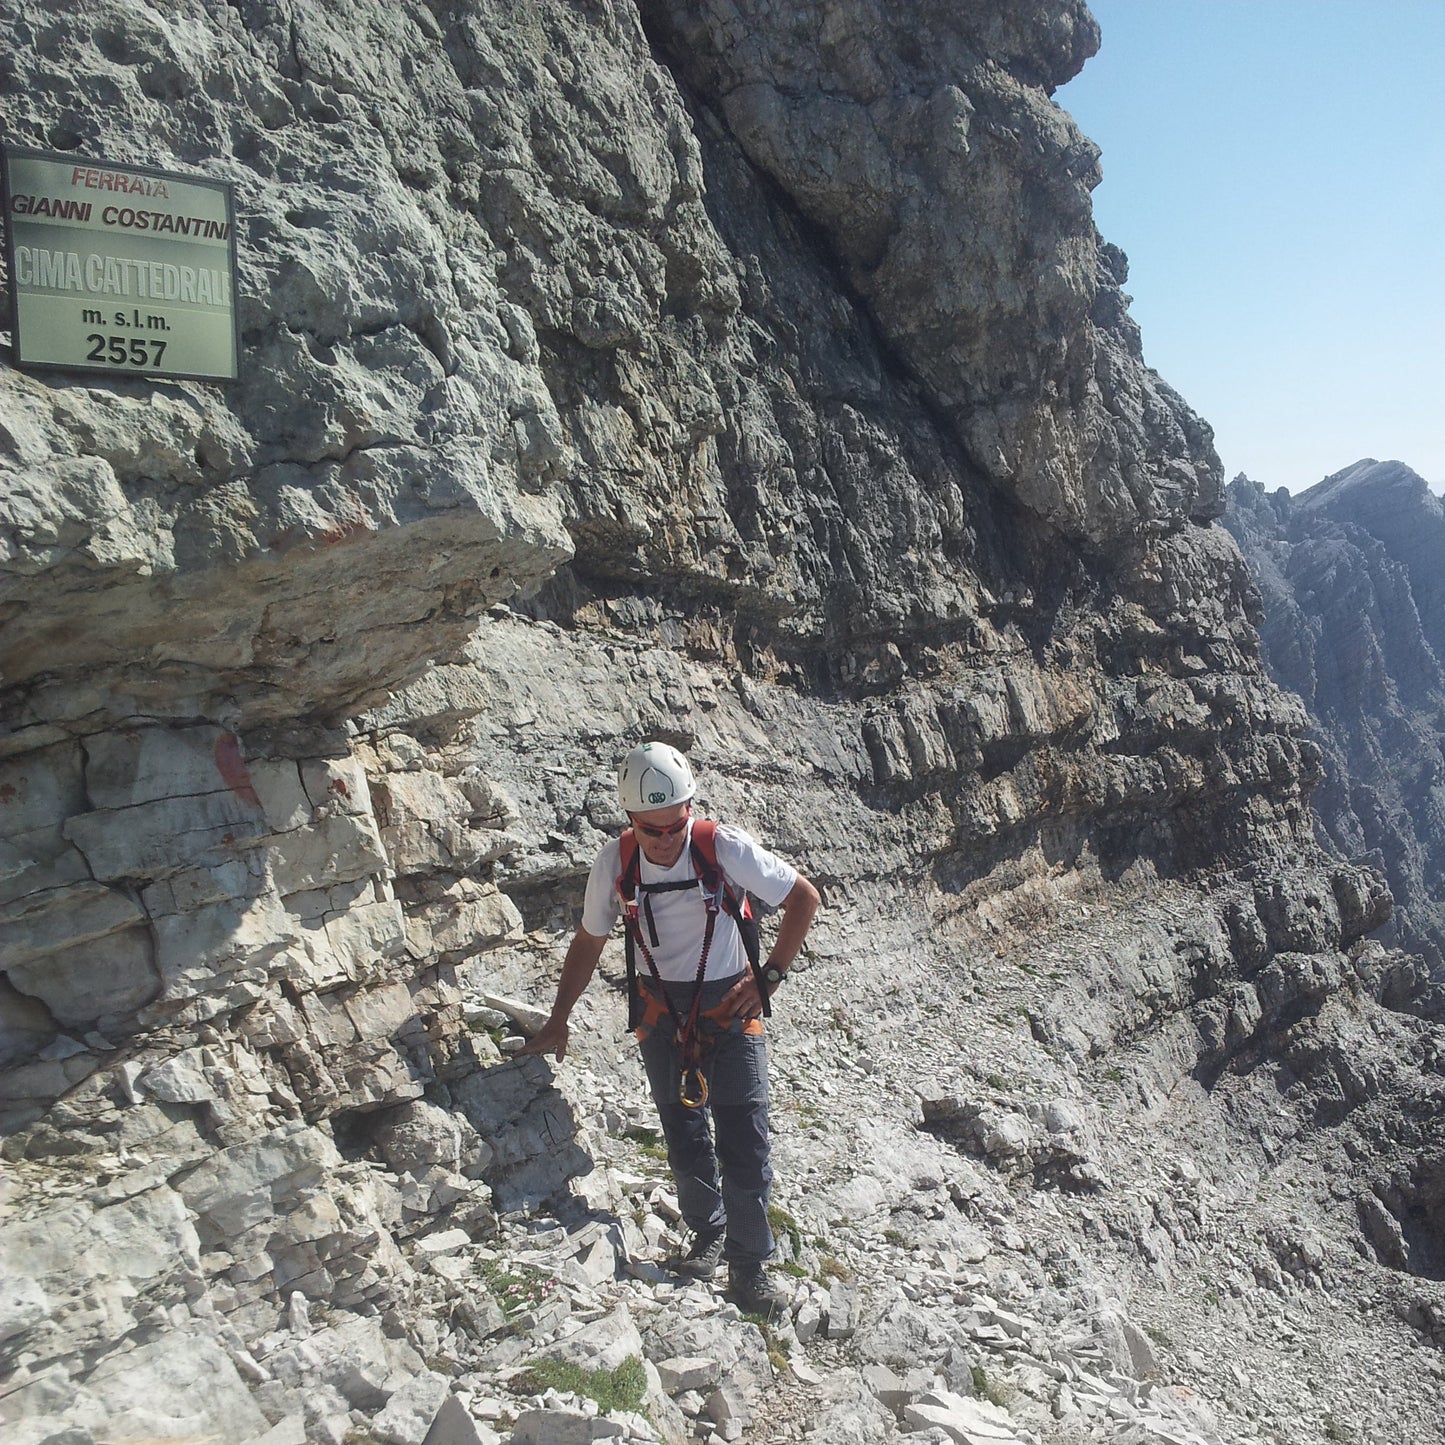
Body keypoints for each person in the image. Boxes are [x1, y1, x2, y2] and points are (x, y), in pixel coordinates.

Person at [519, 741, 820, 1312]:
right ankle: (707, 1232)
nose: (664, 839)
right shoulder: (615, 862)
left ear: (689, 809)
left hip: (730, 1007)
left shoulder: (721, 847)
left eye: (674, 825)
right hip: (660, 1012)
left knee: (745, 1137)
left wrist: (769, 978)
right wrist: (559, 1018)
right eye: (650, 829)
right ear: (631, 819)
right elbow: (589, 940)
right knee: (683, 1132)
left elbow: (805, 898)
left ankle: (749, 1265)